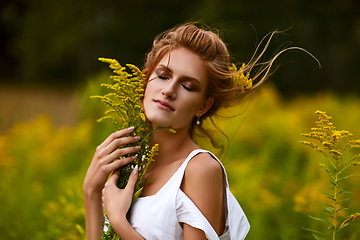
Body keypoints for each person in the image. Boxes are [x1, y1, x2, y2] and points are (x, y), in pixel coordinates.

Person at [83, 23, 292, 240]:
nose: (169, 90)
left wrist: (119, 222)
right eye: (163, 75)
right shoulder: (132, 161)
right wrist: (91, 190)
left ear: (203, 106)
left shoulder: (200, 171)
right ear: (145, 81)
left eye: (188, 86)